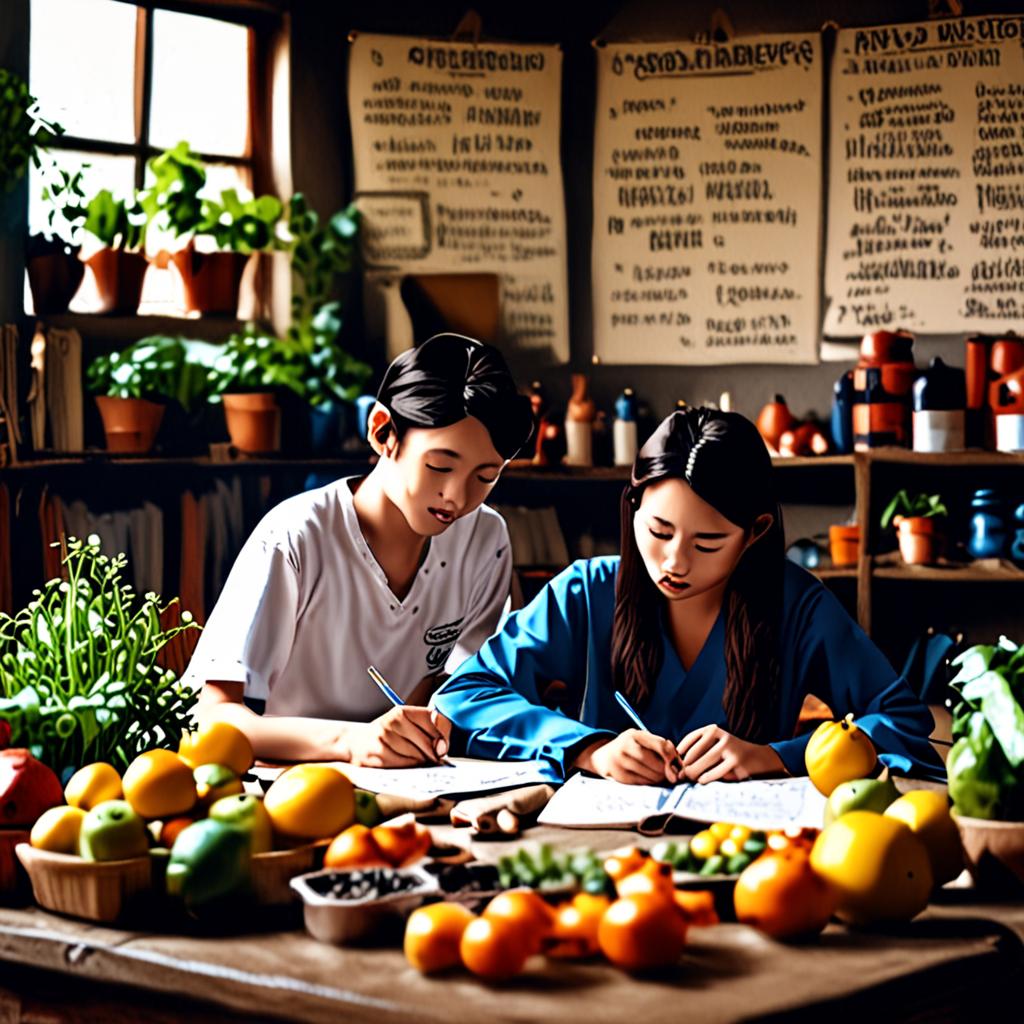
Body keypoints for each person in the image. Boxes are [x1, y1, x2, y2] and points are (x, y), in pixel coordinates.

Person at [433, 407, 945, 785]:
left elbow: (902, 721)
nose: (676, 562)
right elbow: (463, 697)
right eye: (658, 532)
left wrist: (776, 756)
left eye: (708, 543)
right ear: (632, 505)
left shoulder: (797, 605)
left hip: (751, 850)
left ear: (755, 531)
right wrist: (587, 748)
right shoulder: (585, 592)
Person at [186, 333, 534, 767]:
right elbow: (211, 718)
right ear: (382, 431)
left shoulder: (484, 540)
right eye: (439, 466)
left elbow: (463, 689)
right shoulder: (295, 536)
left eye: (485, 477)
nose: (456, 497)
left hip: (412, 785)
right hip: (292, 791)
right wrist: (352, 742)